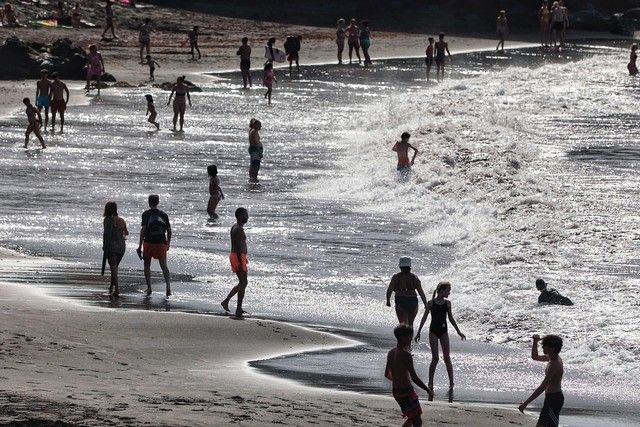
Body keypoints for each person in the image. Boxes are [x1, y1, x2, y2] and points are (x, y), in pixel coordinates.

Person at [415, 281, 466, 400]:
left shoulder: (448, 304)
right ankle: (430, 383)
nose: (449, 292)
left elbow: (451, 319)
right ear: (442, 291)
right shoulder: (431, 303)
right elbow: (424, 318)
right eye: (448, 290)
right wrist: (418, 332)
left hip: (444, 332)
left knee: (447, 357)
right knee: (435, 358)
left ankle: (451, 382)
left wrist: (458, 331)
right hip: (433, 331)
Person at [384, 324, 434, 426]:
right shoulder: (406, 355)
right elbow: (414, 378)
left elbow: (387, 374)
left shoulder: (391, 352)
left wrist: (398, 380)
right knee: (417, 421)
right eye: (409, 337)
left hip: (396, 392)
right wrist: (427, 390)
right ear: (402, 338)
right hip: (406, 392)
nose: (411, 339)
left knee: (411, 418)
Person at [518, 335, 565, 427]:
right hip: (550, 398)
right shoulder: (551, 358)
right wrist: (535, 342)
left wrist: (526, 403)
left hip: (554, 399)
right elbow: (535, 356)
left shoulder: (555, 364)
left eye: (545, 345)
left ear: (552, 348)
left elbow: (542, 387)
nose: (542, 347)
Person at [137, 194, 171, 297]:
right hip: (161, 243)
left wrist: (139, 245)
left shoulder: (146, 214)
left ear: (149, 202)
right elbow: (169, 231)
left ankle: (149, 288)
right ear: (158, 202)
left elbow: (143, 230)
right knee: (164, 266)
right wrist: (168, 243)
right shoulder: (164, 214)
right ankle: (168, 288)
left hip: (149, 243)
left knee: (147, 265)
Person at [221, 207, 249, 317]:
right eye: (246, 215)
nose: (247, 217)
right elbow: (238, 247)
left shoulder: (235, 227)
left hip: (238, 256)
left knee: (243, 282)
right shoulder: (238, 229)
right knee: (243, 282)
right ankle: (238, 309)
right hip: (237, 256)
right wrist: (240, 261)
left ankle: (227, 302)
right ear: (241, 216)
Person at [386, 257, 427, 328]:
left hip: (401, 300)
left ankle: (403, 339)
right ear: (410, 266)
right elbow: (421, 292)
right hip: (413, 301)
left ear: (400, 266)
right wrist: (425, 304)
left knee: (403, 325)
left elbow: (390, 289)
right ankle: (410, 338)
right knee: (410, 324)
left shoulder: (396, 277)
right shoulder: (414, 277)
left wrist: (388, 301)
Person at [102, 201, 128, 298]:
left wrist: (104, 245)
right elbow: (127, 232)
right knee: (115, 267)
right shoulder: (121, 220)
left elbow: (106, 234)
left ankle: (117, 289)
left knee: (113, 268)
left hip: (111, 246)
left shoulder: (107, 220)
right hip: (121, 246)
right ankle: (111, 286)